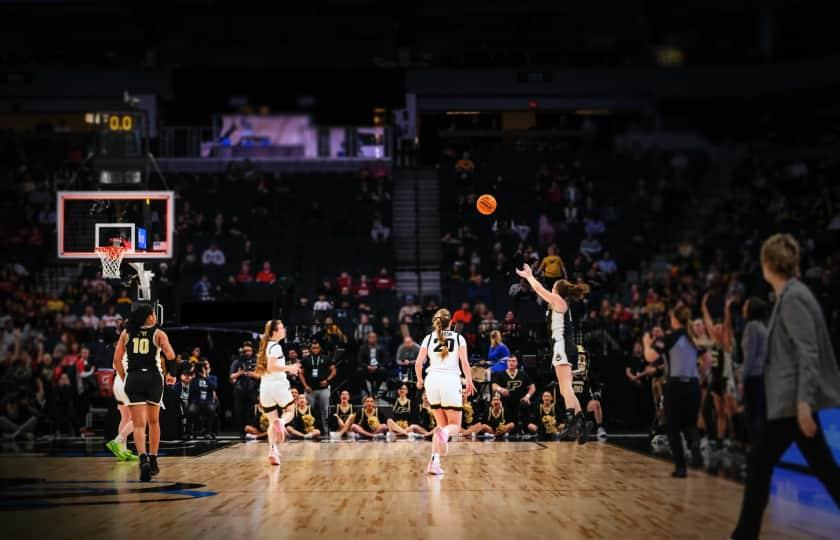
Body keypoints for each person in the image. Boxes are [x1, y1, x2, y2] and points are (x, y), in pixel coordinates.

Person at [732, 234, 840, 540]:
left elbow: (809, 353)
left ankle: (744, 534)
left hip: (793, 403)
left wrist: (804, 403)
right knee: (824, 469)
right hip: (791, 402)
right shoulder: (790, 295)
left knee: (759, 462)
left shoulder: (793, 298)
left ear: (768, 263)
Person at [514, 264, 590, 443]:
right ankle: (582, 423)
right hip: (564, 346)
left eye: (553, 287)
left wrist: (530, 276)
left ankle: (571, 420)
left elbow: (540, 290)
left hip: (562, 346)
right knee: (565, 388)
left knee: (565, 388)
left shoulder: (558, 300)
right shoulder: (559, 303)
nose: (551, 289)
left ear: (557, 290)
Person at [113, 303, 176, 482]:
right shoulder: (158, 333)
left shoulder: (126, 333)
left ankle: (143, 460)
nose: (155, 317)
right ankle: (153, 459)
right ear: (148, 317)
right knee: (154, 422)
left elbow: (117, 360)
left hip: (133, 378)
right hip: (153, 379)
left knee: (139, 425)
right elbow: (170, 355)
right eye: (153, 314)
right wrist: (172, 374)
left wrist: (125, 377)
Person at [643, 305, 704, 478]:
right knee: (690, 424)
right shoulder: (693, 338)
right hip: (693, 385)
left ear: (675, 319)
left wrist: (646, 343)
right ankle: (695, 445)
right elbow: (706, 361)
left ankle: (681, 467)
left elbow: (650, 357)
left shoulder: (670, 337)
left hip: (675, 386)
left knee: (673, 427)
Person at [415, 308, 475, 475]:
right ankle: (445, 434)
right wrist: (469, 380)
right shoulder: (458, 338)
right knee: (454, 425)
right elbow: (464, 362)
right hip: (450, 380)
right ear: (451, 323)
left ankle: (434, 463)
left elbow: (418, 363)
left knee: (441, 425)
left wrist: (419, 380)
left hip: (432, 381)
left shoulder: (428, 338)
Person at [255, 319, 301, 466]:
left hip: (265, 388)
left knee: (271, 421)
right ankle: (281, 422)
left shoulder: (265, 346)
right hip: (278, 386)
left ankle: (272, 451)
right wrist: (290, 368)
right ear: (274, 332)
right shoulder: (276, 347)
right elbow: (272, 367)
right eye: (281, 328)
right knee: (290, 411)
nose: (284, 330)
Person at [739, 297, 769, 444]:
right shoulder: (762, 326)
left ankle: (757, 448)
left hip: (753, 376)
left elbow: (750, 356)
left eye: (745, 305)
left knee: (752, 416)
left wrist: (742, 379)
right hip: (761, 375)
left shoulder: (752, 327)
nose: (743, 308)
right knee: (759, 414)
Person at [106, 347, 138, 461]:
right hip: (128, 383)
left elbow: (114, 366)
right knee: (139, 419)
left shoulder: (120, 349)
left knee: (125, 418)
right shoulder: (138, 348)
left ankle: (122, 451)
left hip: (118, 382)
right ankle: (117, 441)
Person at [490, 355, 535, 435]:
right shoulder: (501, 374)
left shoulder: (522, 374)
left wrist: (527, 396)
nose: (511, 363)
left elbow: (532, 387)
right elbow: (494, 386)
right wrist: (501, 389)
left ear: (517, 363)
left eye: (513, 361)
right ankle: (504, 431)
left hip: (519, 402)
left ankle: (524, 430)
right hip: (505, 402)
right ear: (507, 363)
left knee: (525, 405)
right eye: (509, 361)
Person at [298, 340, 335, 436]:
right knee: (308, 411)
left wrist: (327, 380)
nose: (315, 349)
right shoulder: (306, 359)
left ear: (320, 348)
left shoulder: (326, 358)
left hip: (323, 389)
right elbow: (300, 373)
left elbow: (334, 370)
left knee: (325, 411)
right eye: (313, 348)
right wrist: (305, 386)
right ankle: (308, 431)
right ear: (310, 349)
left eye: (317, 348)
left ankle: (327, 432)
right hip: (310, 390)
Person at [229, 341, 260, 437]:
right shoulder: (236, 362)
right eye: (245, 351)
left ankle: (251, 430)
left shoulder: (257, 361)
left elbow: (261, 375)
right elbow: (231, 377)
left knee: (252, 412)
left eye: (249, 351)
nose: (247, 353)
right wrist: (239, 373)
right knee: (240, 412)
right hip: (239, 390)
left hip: (252, 390)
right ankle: (242, 432)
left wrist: (253, 375)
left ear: (252, 351)